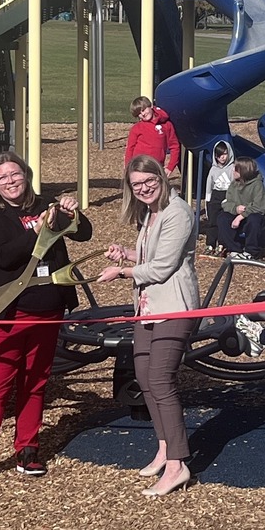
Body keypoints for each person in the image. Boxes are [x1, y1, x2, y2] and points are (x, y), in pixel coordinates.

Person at [0, 153, 92, 488]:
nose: (10, 181)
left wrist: (69, 212)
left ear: (26, 175)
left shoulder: (46, 204)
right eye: (2, 177)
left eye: (15, 174)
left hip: (47, 307)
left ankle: (28, 447)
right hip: (7, 311)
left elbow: (84, 234)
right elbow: (3, 256)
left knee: (35, 381)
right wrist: (35, 229)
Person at [96, 155, 200, 498]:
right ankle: (164, 446)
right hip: (148, 306)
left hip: (174, 306)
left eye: (148, 182)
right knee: (143, 375)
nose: (143, 189)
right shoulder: (150, 214)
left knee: (160, 379)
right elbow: (150, 258)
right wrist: (127, 253)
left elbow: (162, 267)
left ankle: (177, 463)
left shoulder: (178, 212)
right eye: (136, 185)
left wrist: (122, 273)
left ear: (162, 177)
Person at [215, 156, 265, 258]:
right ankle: (234, 249)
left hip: (253, 216)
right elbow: (226, 203)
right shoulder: (233, 185)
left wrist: (241, 216)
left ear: (243, 171)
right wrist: (235, 208)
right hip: (237, 214)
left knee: (254, 219)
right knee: (222, 218)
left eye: (235, 169)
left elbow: (261, 206)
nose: (233, 171)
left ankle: (251, 251)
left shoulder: (257, 184)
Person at [124, 95, 181, 175]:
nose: (143, 114)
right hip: (138, 167)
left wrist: (170, 167)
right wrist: (128, 168)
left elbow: (175, 147)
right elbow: (130, 149)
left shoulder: (167, 125)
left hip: (157, 167)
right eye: (139, 114)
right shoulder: (137, 128)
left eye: (143, 110)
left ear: (150, 106)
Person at [200, 140, 235, 250]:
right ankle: (210, 244)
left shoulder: (232, 168)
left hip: (227, 195)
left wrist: (230, 199)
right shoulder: (213, 169)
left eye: (224, 154)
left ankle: (222, 244)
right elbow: (209, 185)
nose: (222, 158)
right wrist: (208, 200)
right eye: (219, 155)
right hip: (215, 195)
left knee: (223, 221)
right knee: (212, 220)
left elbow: (235, 186)